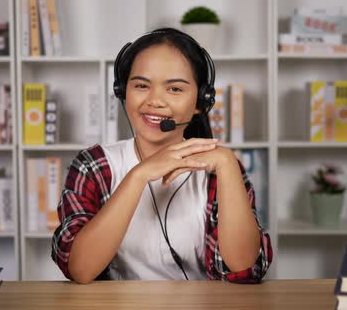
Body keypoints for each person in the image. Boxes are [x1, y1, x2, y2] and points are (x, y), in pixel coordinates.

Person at [51, 27, 272, 284]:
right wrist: (139, 175)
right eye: (142, 85)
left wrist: (227, 163)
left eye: (175, 89)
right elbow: (81, 269)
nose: (155, 101)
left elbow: (243, 269)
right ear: (123, 91)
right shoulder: (94, 165)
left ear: (201, 101)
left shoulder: (218, 167)